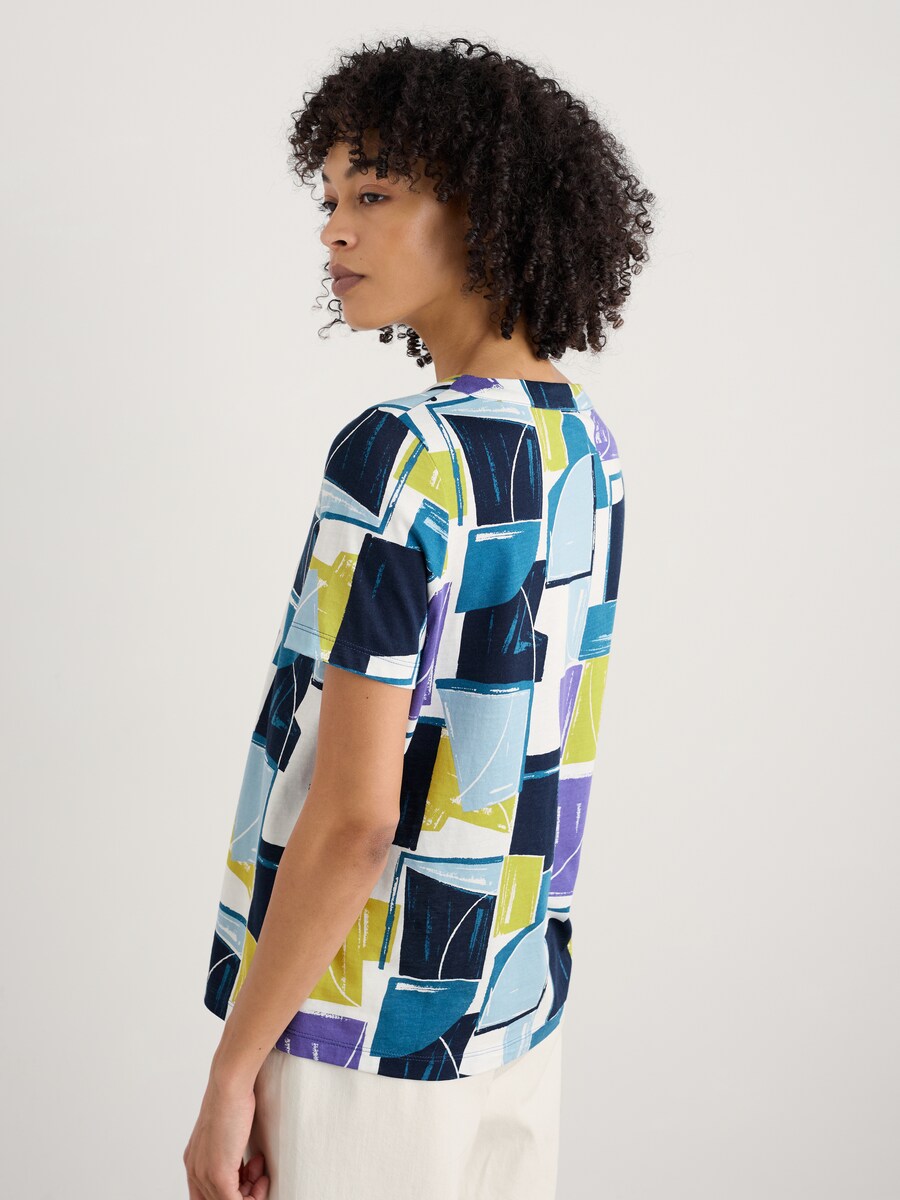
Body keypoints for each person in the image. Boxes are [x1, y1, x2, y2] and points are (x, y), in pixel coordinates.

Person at [183, 34, 655, 1200]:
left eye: (375, 195)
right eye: (330, 200)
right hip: (513, 1016)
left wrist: (234, 1071)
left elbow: (355, 818)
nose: (334, 232)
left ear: (484, 208)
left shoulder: (402, 454)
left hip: (360, 1030)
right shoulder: (585, 446)